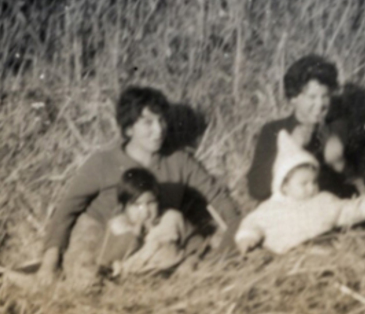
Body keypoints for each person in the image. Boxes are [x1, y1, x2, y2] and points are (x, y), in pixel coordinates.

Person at [37, 86, 239, 287]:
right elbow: (67, 210)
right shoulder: (102, 163)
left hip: (152, 238)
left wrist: (231, 244)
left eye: (161, 120)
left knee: (188, 274)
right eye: (148, 123)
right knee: (87, 279)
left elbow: (219, 198)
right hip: (102, 236)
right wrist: (49, 263)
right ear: (128, 129)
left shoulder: (180, 161)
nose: (159, 130)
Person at [236, 130, 365, 255]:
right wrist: (248, 237)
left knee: (343, 249)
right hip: (290, 256)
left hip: (326, 247)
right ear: (284, 186)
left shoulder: (324, 200)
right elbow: (252, 222)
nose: (311, 187)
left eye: (314, 182)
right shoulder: (271, 208)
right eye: (303, 184)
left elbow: (345, 210)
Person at [246, 54, 355, 202]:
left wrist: (340, 164)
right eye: (312, 97)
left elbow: (357, 187)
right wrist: (290, 148)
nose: (320, 104)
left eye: (325, 96)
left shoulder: (338, 128)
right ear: (293, 98)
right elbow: (256, 189)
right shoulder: (274, 130)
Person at [95, 168, 186, 277]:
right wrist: (135, 235)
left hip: (171, 269)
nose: (145, 211)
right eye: (137, 205)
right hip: (133, 275)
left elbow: (193, 241)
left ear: (158, 201)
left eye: (151, 203)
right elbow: (107, 258)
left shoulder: (171, 218)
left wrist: (192, 259)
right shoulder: (118, 226)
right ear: (124, 207)